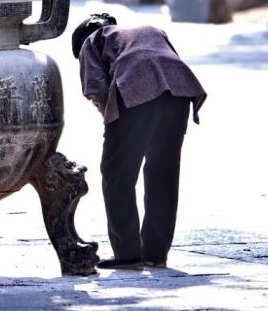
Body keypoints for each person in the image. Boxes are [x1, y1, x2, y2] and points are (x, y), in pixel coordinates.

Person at [72, 13, 207, 269]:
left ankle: (128, 254)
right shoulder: (149, 29)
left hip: (134, 88)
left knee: (117, 174)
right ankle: (156, 254)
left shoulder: (92, 39)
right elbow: (168, 62)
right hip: (179, 93)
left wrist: (112, 123)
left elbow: (95, 87)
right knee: (162, 173)